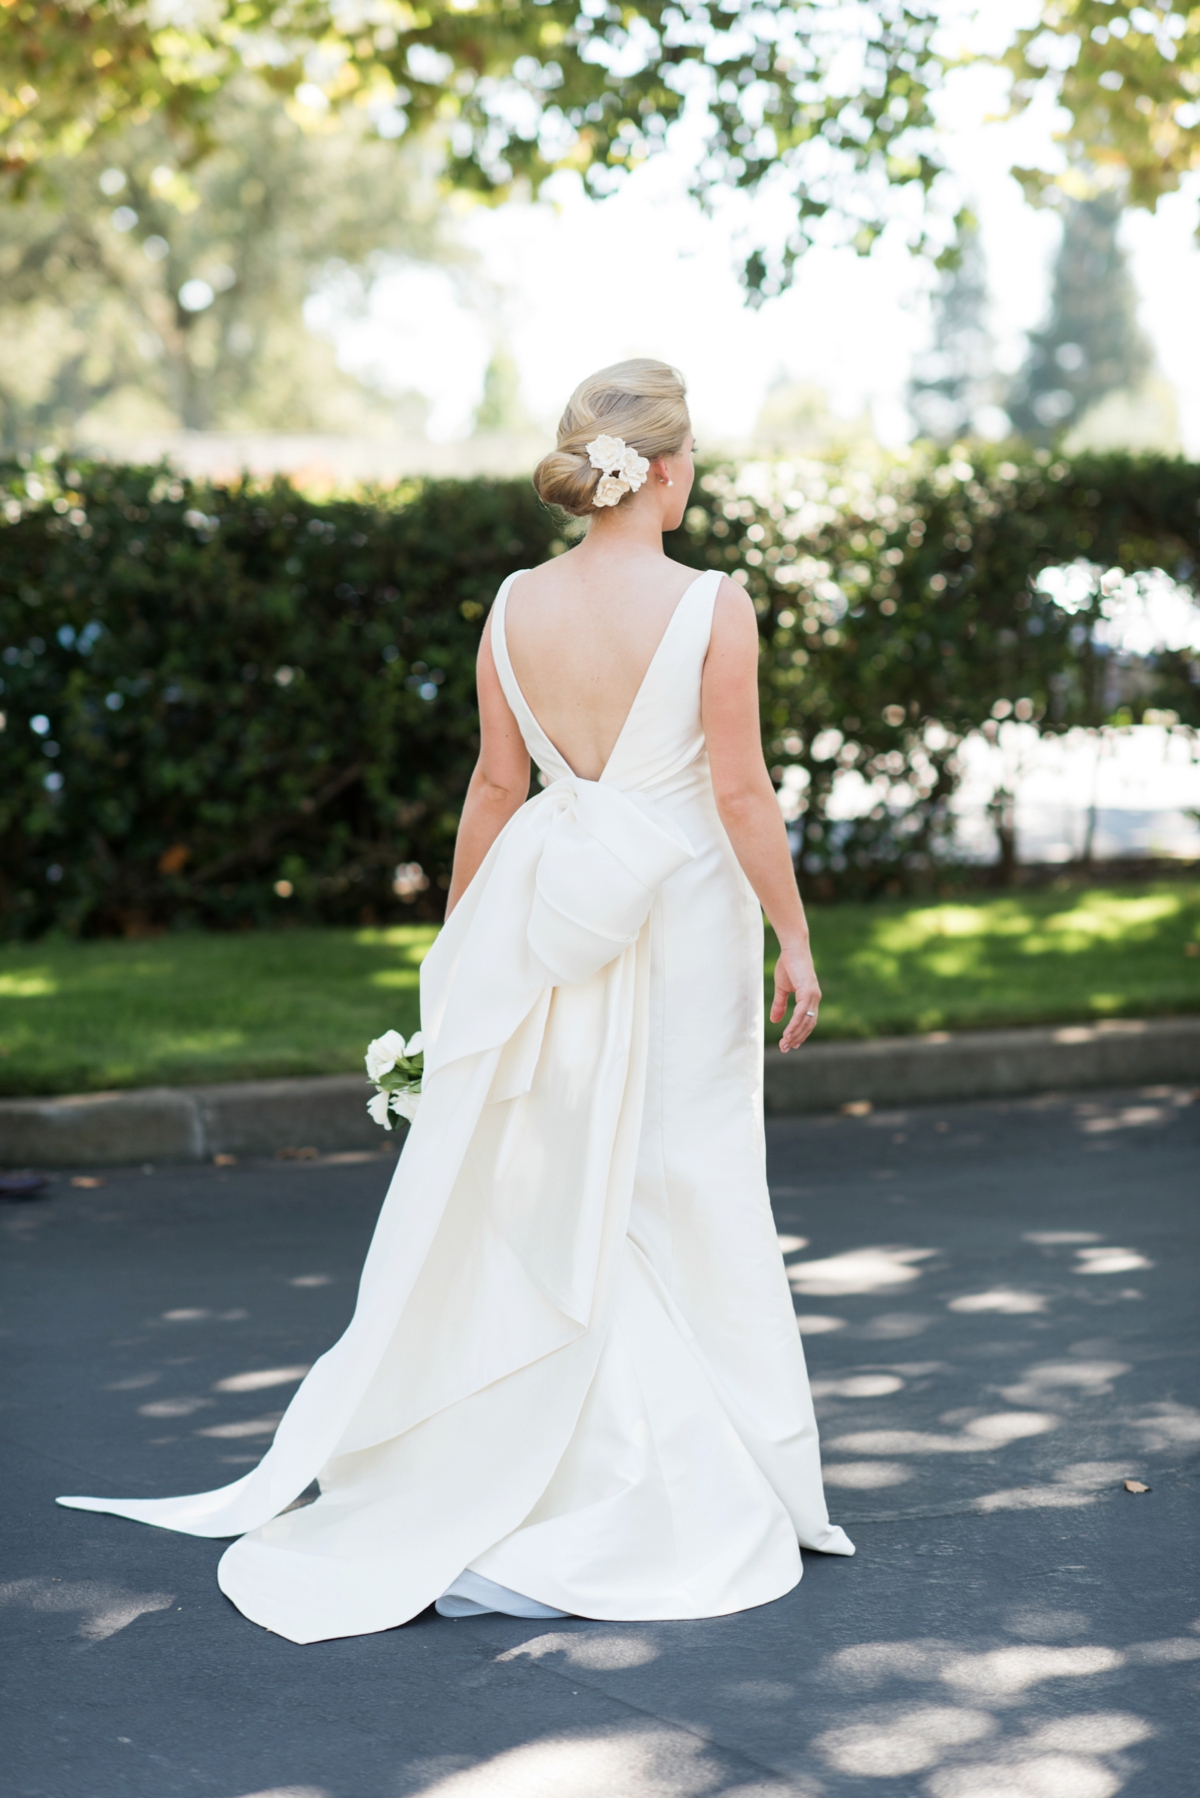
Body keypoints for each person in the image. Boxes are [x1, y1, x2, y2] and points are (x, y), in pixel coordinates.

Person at [58, 358, 853, 1643]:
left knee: (554, 1176)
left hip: (552, 915)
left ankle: (521, 1465)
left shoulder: (512, 605)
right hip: (682, 920)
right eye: (692, 457)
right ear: (660, 471)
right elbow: (745, 794)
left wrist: (465, 957)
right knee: (682, 1178)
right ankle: (678, 1482)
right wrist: (798, 940)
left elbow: (494, 790)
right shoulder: (714, 604)